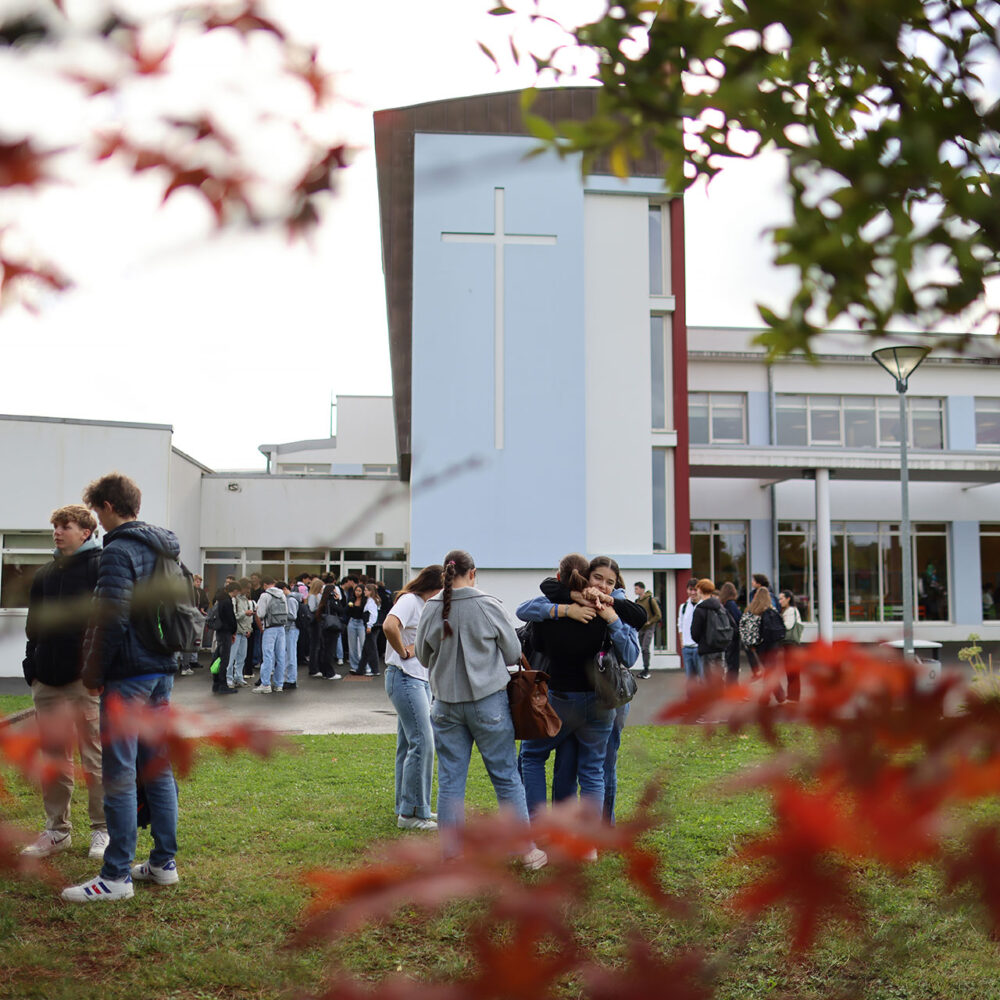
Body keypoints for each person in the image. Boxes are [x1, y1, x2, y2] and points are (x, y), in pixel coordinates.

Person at [62, 472, 180, 903]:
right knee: (157, 766)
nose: (96, 517)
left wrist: (93, 674)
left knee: (119, 773)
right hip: (161, 670)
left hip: (129, 674)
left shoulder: (119, 552)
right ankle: (164, 863)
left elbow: (110, 618)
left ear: (108, 507)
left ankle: (115, 877)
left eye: (96, 510)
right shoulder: (163, 549)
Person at [415, 549, 545, 869]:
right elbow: (514, 651)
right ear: (472, 573)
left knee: (450, 782)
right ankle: (525, 850)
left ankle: (451, 856)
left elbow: (421, 655)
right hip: (489, 702)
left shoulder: (431, 608)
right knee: (505, 777)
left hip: (445, 703)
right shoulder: (488, 604)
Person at [517, 555, 641, 831]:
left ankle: (596, 829)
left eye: (610, 582)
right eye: (597, 578)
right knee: (580, 765)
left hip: (604, 697)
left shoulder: (616, 607)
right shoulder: (565, 601)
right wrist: (568, 606)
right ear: (586, 578)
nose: (603, 586)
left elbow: (631, 652)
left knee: (596, 765)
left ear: (617, 583)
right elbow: (529, 606)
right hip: (587, 701)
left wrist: (611, 616)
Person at [21, 504, 108, 862]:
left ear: (86, 531)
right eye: (54, 526)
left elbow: (108, 624)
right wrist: (33, 667)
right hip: (47, 681)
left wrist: (97, 672)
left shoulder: (100, 568)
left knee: (95, 758)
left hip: (85, 683)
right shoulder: (44, 574)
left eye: (65, 526)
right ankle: (57, 831)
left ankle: (102, 830)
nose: (57, 532)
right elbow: (33, 628)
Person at [383, 564, 444, 831]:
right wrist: (404, 652)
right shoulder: (410, 600)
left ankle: (407, 807)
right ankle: (412, 814)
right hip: (405, 678)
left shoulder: (426, 606)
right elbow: (389, 626)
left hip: (417, 680)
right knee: (423, 743)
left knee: (409, 744)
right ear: (436, 586)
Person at [689, 577, 728, 685]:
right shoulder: (720, 607)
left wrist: (701, 641)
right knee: (720, 679)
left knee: (708, 680)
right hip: (720, 647)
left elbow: (695, 633)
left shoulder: (700, 609)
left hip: (706, 649)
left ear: (700, 590)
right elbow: (732, 625)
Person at [253, 576, 288, 693]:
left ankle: (266, 684)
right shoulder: (282, 594)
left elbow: (260, 613)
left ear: (264, 585)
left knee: (267, 656)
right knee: (281, 656)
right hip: (281, 628)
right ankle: (279, 684)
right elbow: (286, 612)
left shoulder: (264, 596)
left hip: (269, 628)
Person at [212, 581, 240, 694]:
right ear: (234, 590)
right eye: (237, 592)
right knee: (224, 659)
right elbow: (230, 618)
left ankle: (216, 683)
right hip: (226, 632)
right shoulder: (227, 601)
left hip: (219, 631)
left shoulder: (219, 600)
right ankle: (223, 685)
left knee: (218, 657)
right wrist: (234, 631)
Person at [778, 589, 803, 702]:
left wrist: (779, 621)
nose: (780, 601)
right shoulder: (788, 610)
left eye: (782, 598)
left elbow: (788, 626)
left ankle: (794, 696)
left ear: (788, 599)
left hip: (791, 644)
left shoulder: (791, 610)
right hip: (789, 644)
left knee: (792, 671)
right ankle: (792, 695)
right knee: (790, 671)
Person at [633, 581, 661, 679]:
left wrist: (649, 622)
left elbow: (658, 615)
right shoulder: (637, 601)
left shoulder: (650, 600)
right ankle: (644, 669)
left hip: (649, 627)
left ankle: (646, 670)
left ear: (642, 589)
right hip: (641, 628)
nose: (635, 590)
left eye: (636, 588)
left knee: (645, 648)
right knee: (642, 648)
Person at [719, 581, 745, 685]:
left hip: (726, 637)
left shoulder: (723, 605)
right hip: (734, 638)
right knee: (733, 666)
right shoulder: (732, 605)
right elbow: (739, 620)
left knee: (728, 664)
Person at [228, 577, 253, 685]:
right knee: (231, 656)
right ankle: (228, 678)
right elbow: (234, 616)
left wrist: (249, 629)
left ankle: (238, 676)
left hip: (244, 632)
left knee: (242, 657)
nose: (248, 591)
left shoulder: (245, 600)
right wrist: (245, 613)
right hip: (236, 632)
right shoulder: (235, 600)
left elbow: (248, 618)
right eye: (247, 588)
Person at [677, 578, 701, 683]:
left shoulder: (703, 605)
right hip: (687, 649)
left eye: (695, 590)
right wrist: (682, 644)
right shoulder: (683, 607)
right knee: (690, 681)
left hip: (700, 649)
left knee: (703, 679)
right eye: (690, 589)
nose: (693, 592)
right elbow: (680, 626)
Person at [356, 582, 381, 677]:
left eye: (366, 590)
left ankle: (375, 669)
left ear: (370, 592)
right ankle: (360, 668)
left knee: (371, 648)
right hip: (374, 627)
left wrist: (369, 625)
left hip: (371, 627)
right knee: (367, 648)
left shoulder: (371, 601)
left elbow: (373, 614)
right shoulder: (375, 600)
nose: (364, 592)